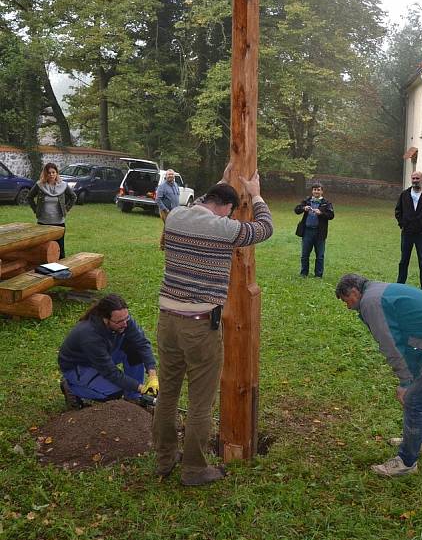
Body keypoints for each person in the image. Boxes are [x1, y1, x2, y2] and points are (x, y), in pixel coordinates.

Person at [153, 167, 273, 486]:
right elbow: (264, 228)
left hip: (166, 321)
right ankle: (193, 469)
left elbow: (209, 204)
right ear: (227, 209)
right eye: (230, 210)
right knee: (200, 402)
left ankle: (164, 459)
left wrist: (222, 181)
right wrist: (257, 193)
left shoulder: (177, 215)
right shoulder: (224, 229)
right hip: (199, 325)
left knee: (167, 395)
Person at [335, 273, 422, 477]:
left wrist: (406, 382)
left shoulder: (371, 302)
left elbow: (390, 344)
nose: (348, 307)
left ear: (355, 292)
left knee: (415, 400)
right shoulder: (377, 290)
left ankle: (407, 462)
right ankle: (420, 442)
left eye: (347, 301)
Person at [58, 293, 159, 409]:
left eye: (127, 318)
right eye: (119, 321)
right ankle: (71, 387)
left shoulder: (123, 321)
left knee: (135, 350)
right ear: (105, 319)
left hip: (104, 355)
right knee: (114, 392)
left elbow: (142, 343)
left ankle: (133, 397)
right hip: (79, 366)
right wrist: (141, 388)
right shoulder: (89, 335)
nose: (125, 324)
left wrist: (152, 375)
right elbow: (110, 372)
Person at [395, 171, 422, 292]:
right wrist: (402, 225)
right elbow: (398, 211)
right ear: (411, 179)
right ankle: (400, 285)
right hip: (407, 234)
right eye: (413, 178)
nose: (415, 180)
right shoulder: (405, 195)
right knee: (404, 261)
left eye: (417, 178)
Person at [28, 162, 77, 259]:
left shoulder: (63, 185)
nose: (51, 175)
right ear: (45, 174)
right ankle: (43, 269)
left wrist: (66, 209)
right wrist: (35, 209)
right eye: (49, 172)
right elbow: (29, 197)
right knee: (43, 249)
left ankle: (61, 271)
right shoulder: (40, 185)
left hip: (59, 222)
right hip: (43, 222)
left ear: (57, 173)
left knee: (60, 249)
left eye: (53, 172)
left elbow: (73, 197)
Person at [295, 182, 334, 278]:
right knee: (305, 254)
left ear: (322, 191)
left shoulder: (326, 203)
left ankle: (318, 275)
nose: (316, 191)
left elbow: (331, 215)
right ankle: (304, 273)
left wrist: (321, 213)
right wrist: (304, 208)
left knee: (320, 256)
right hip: (307, 232)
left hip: (320, 232)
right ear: (312, 191)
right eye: (315, 189)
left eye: (318, 190)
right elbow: (296, 210)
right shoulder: (307, 200)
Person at [156, 169, 181, 249]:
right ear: (166, 176)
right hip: (165, 210)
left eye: (172, 174)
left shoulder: (175, 184)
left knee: (170, 227)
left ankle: (169, 244)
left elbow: (177, 197)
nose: (171, 176)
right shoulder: (162, 186)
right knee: (168, 227)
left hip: (174, 211)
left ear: (174, 176)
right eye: (169, 174)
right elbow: (158, 199)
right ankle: (163, 246)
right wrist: (165, 209)